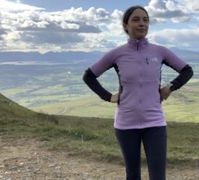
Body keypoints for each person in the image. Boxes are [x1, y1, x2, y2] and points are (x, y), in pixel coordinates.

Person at [83, 5, 193, 180]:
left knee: (158, 176)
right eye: (136, 19)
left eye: (145, 20)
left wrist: (170, 87)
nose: (142, 23)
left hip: (155, 122)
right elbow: (89, 76)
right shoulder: (116, 54)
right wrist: (108, 96)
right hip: (126, 124)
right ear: (126, 25)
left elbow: (187, 70)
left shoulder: (160, 51)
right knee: (133, 175)